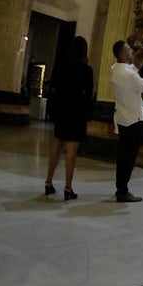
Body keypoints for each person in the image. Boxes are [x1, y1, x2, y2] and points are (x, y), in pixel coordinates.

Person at [44, 36, 94, 201]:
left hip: (62, 109)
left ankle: (48, 181)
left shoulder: (60, 66)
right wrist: (89, 112)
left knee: (57, 144)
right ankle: (68, 187)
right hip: (77, 111)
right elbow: (89, 94)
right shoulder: (86, 70)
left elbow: (53, 87)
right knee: (72, 149)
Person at [109, 40, 143, 202]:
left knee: (123, 155)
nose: (131, 51)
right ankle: (123, 191)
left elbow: (132, 71)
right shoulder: (128, 75)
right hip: (134, 120)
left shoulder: (114, 69)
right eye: (128, 50)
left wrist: (140, 57)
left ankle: (120, 187)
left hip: (122, 118)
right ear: (123, 54)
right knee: (129, 157)